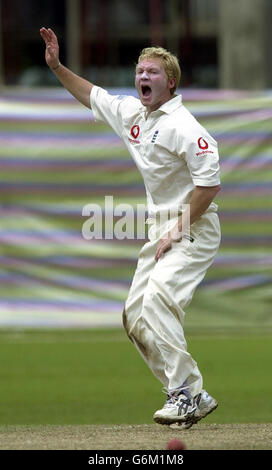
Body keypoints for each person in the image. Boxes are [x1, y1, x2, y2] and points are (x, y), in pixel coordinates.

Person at [40, 27, 221, 429]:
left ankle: (186, 394)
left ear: (169, 81)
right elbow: (92, 93)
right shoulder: (134, 114)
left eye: (152, 71)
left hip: (194, 224)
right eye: (140, 70)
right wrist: (56, 67)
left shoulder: (186, 127)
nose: (143, 76)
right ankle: (189, 392)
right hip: (161, 227)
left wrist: (177, 230)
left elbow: (209, 186)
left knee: (158, 299)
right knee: (135, 317)